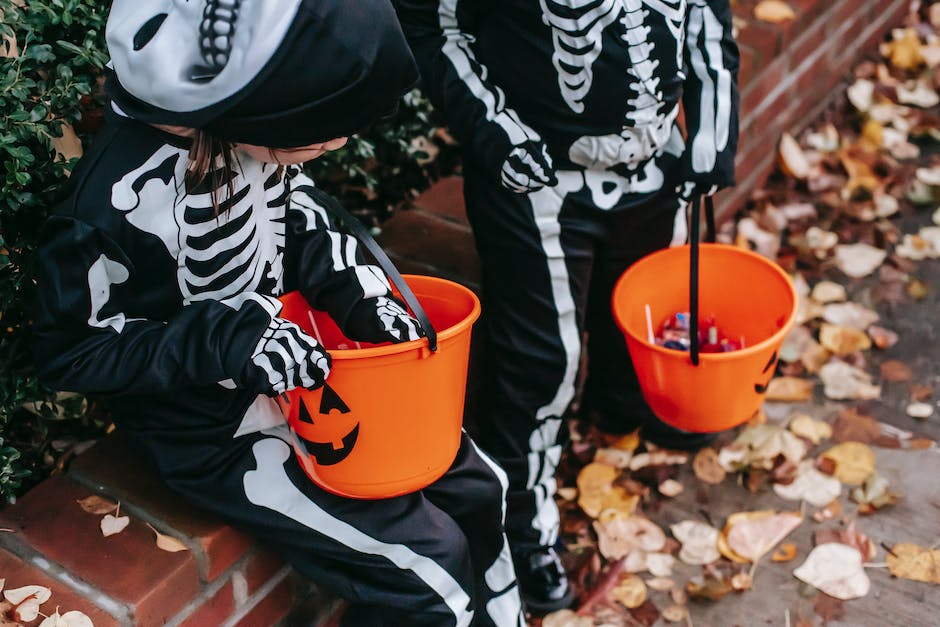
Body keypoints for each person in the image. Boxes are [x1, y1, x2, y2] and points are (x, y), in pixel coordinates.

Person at [32, 1, 525, 625]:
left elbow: (306, 224)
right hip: (220, 437)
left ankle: (504, 615)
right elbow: (72, 352)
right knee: (429, 571)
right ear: (244, 106)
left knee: (482, 485)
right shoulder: (110, 207)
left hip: (312, 386)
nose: (338, 143)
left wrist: (363, 296)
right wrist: (226, 341)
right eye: (318, 128)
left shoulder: (249, 142)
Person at [395, 0, 740, 613]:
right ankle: (522, 524)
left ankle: (624, 407)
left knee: (640, 317)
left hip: (656, 164)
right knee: (542, 360)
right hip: (540, 177)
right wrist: (495, 130)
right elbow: (428, 22)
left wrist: (712, 131)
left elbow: (709, 18)